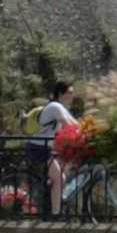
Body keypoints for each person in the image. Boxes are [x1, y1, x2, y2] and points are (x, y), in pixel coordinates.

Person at [27, 80, 78, 219]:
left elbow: (75, 123)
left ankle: (53, 189)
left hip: (47, 148)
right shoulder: (55, 106)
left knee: (67, 166)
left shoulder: (61, 108)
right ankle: (56, 214)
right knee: (59, 178)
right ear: (61, 94)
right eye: (70, 93)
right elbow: (69, 125)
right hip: (38, 148)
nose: (72, 96)